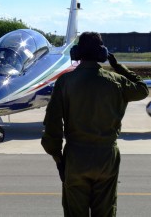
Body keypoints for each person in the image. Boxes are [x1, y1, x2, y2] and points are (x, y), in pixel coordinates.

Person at [41, 31, 149, 217]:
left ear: (77, 52)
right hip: (106, 158)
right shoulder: (116, 81)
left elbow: (52, 124)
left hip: (75, 158)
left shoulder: (65, 82)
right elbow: (142, 90)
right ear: (102, 53)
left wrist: (59, 159)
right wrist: (119, 67)